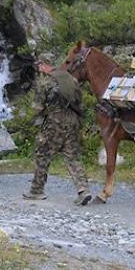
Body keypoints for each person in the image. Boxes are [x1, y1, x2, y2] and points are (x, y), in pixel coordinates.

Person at [23, 52, 92, 206]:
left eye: (39, 66)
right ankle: (83, 190)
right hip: (73, 122)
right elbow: (80, 104)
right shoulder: (71, 79)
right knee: (73, 156)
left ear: (42, 65)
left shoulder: (44, 82)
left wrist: (35, 118)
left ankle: (36, 190)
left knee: (42, 154)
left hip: (54, 123)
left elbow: (37, 108)